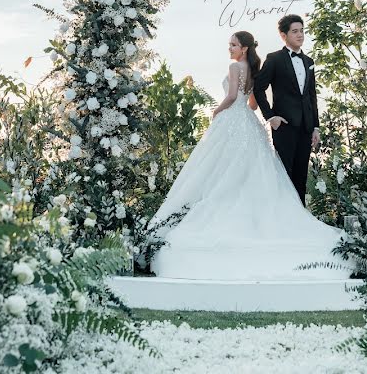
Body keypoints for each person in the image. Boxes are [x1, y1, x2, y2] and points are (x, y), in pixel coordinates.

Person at [148, 30, 349, 281]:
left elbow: (232, 97)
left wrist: (216, 111)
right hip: (248, 121)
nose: (229, 49)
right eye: (229, 45)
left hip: (232, 119)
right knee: (249, 168)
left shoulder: (235, 69)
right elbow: (252, 104)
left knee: (219, 168)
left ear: (243, 48)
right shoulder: (254, 70)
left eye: (233, 45)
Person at [252, 14, 319, 205]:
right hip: (284, 125)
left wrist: (316, 127)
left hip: (306, 126)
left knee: (301, 176)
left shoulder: (309, 61)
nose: (300, 35)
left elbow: (311, 95)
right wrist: (270, 117)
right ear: (283, 35)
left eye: (302, 31)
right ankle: (283, 221)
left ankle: (300, 220)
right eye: (295, 31)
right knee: (284, 175)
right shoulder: (274, 59)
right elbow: (258, 88)